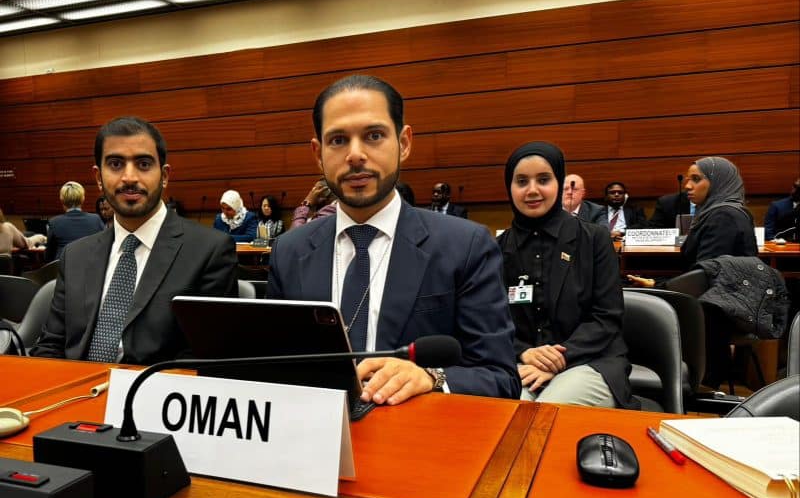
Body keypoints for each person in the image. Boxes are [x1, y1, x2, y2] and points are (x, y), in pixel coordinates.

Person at [268, 74, 520, 403]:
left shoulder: (465, 246)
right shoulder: (289, 252)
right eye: (338, 140)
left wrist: (432, 377)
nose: (355, 155)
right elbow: (272, 369)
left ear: (404, 143)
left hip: (418, 429)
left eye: (374, 136)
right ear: (318, 154)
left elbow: (500, 378)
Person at [31, 116, 237, 365]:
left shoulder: (210, 251)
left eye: (143, 164)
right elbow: (51, 345)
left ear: (164, 175)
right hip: (77, 385)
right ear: (98, 178)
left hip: (155, 387)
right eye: (115, 164)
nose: (129, 177)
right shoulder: (75, 255)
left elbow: (204, 360)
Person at [498, 143, 637, 408]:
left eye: (543, 180)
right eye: (522, 181)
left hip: (590, 360)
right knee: (508, 409)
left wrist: (559, 358)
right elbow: (491, 321)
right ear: (509, 187)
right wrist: (524, 352)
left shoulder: (594, 239)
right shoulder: (497, 249)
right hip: (521, 363)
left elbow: (607, 317)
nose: (532, 190)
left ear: (559, 183)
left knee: (545, 413)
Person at [630, 157, 758, 388]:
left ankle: (664, 386)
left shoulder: (723, 217)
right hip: (717, 305)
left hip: (714, 315)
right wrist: (658, 283)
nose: (688, 185)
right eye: (688, 179)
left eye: (696, 179)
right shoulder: (722, 212)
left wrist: (658, 286)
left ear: (718, 182)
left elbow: (705, 277)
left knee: (637, 308)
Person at [45, 181, 105, 261]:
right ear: (83, 199)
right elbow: (104, 247)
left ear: (62, 199)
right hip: (90, 265)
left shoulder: (54, 222)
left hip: (64, 266)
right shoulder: (96, 219)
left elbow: (48, 256)